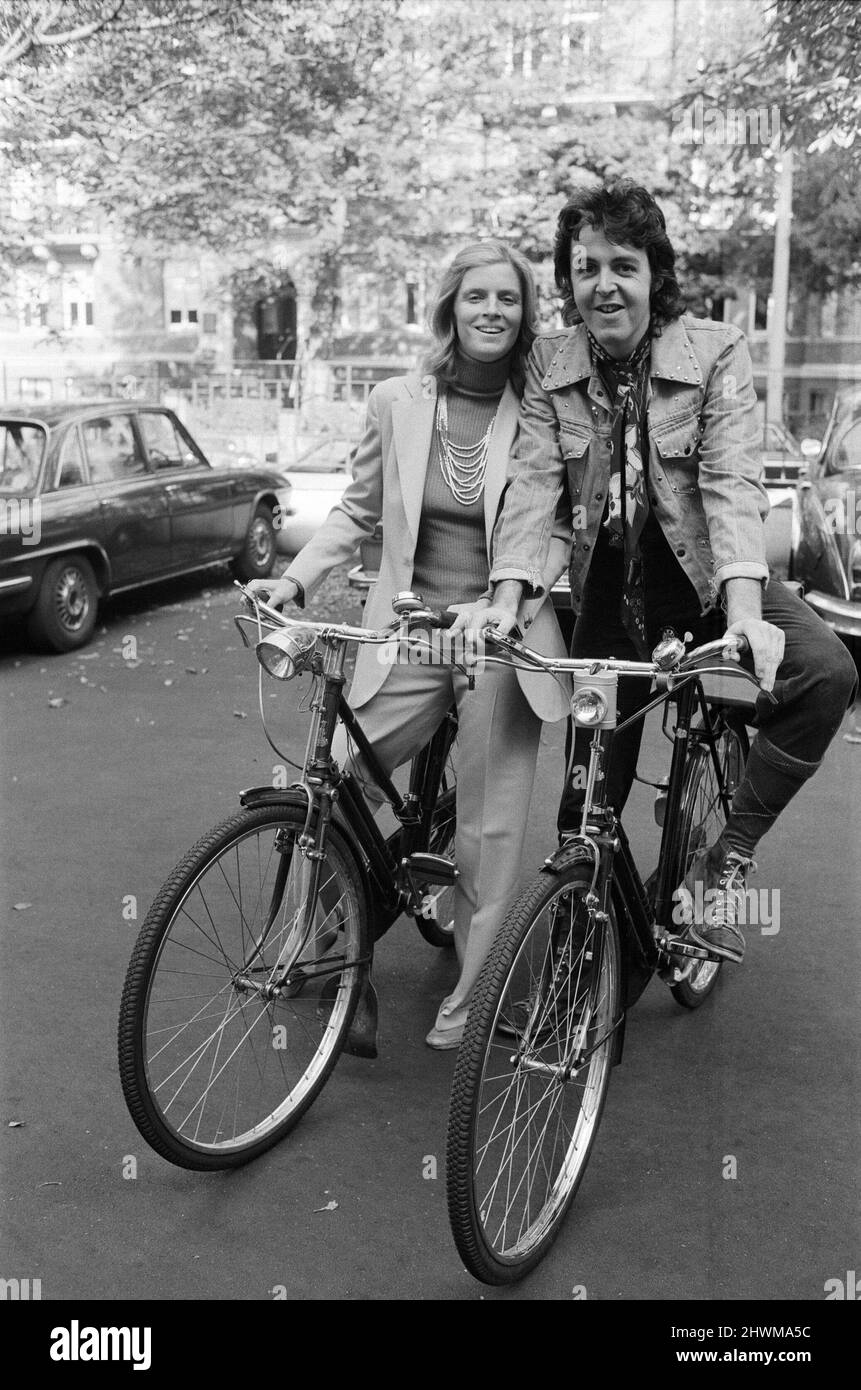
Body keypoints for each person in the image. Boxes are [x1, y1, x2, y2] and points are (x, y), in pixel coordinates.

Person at [469, 180, 857, 966]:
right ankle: (584, 949)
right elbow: (534, 482)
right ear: (568, 279)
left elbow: (728, 482)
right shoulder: (553, 360)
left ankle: (721, 864)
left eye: (621, 265)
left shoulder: (713, 350)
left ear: (654, 274)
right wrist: (507, 598)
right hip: (610, 588)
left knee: (824, 672)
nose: (602, 285)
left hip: (707, 578)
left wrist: (745, 612)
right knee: (586, 799)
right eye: (584, 268)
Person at [248, 240, 571, 1048]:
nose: (491, 311)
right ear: (449, 308)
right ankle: (334, 962)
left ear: (525, 313)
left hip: (501, 637)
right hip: (411, 632)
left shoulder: (544, 409)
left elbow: (556, 527)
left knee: (491, 828)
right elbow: (357, 514)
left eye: (507, 298)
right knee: (334, 784)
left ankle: (473, 998)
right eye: (475, 297)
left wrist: (509, 599)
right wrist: (295, 580)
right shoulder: (397, 400)